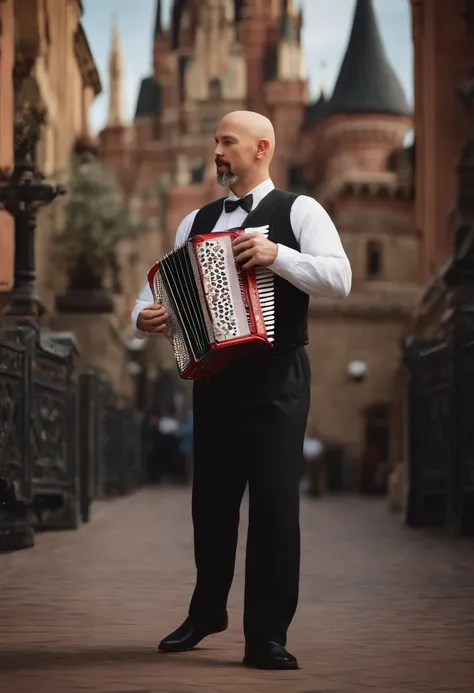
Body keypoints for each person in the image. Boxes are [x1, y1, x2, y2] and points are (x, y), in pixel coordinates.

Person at [131, 110, 351, 670]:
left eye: (227, 141)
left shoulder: (300, 211)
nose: (218, 150)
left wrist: (280, 256)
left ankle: (267, 635)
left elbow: (341, 278)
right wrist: (145, 316)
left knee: (275, 505)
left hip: (278, 375)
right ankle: (208, 611)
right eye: (215, 142)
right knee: (212, 503)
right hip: (216, 377)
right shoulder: (195, 221)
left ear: (262, 147)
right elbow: (151, 289)